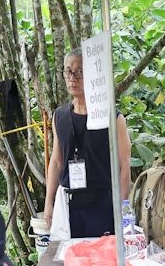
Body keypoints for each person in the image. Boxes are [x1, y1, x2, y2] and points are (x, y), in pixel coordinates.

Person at [42, 48, 132, 238]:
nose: (73, 77)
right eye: (68, 71)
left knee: (104, 262)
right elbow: (57, 161)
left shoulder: (112, 118)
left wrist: (122, 209)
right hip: (70, 205)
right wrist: (48, 203)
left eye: (80, 71)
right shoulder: (60, 116)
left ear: (93, 77)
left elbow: (124, 165)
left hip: (104, 205)